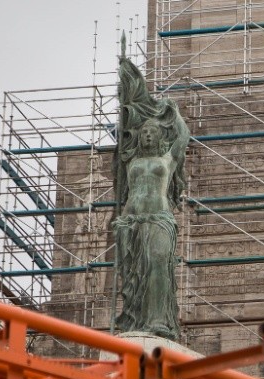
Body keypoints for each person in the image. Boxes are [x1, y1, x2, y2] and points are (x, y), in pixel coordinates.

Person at [112, 36, 189, 339]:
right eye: (143, 132)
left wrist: (172, 111)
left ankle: (159, 320)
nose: (146, 135)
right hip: (131, 220)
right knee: (134, 275)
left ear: (159, 137)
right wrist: (125, 96)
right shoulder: (129, 160)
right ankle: (138, 321)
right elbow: (123, 129)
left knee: (158, 262)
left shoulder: (166, 159)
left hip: (158, 217)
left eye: (152, 132)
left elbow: (182, 136)